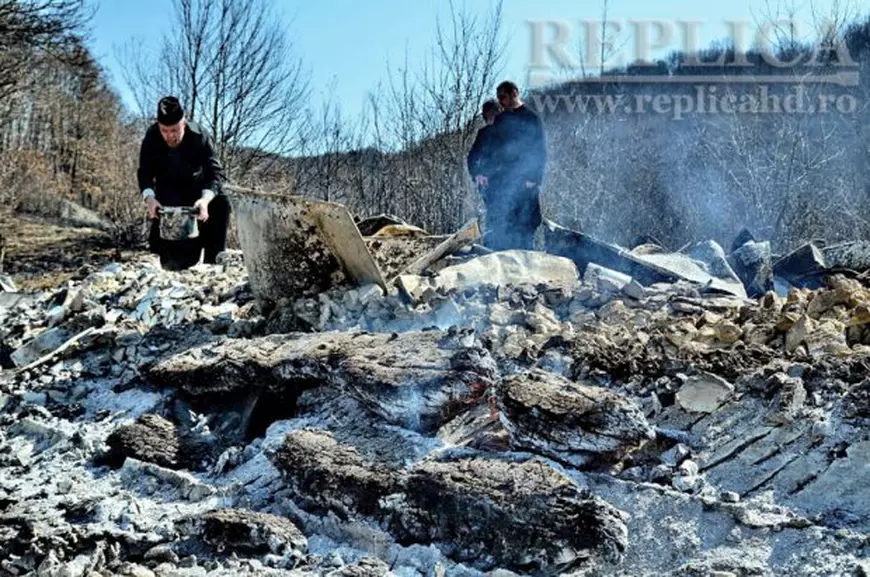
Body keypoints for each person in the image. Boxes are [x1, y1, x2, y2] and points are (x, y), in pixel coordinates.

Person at [137, 96, 229, 270]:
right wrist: (149, 198)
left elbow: (216, 173)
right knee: (175, 265)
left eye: (174, 130)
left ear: (184, 124)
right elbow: (145, 173)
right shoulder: (151, 136)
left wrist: (205, 200)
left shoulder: (200, 135)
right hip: (168, 203)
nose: (170, 136)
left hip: (196, 201)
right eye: (164, 130)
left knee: (222, 202)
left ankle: (213, 263)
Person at [484, 80, 547, 251]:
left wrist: (534, 179)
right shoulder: (500, 121)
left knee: (525, 235)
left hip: (525, 186)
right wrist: (483, 172)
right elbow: (490, 151)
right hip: (502, 187)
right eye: (499, 98)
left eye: (503, 97)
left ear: (514, 93)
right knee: (501, 235)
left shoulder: (531, 118)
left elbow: (540, 151)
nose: (501, 102)